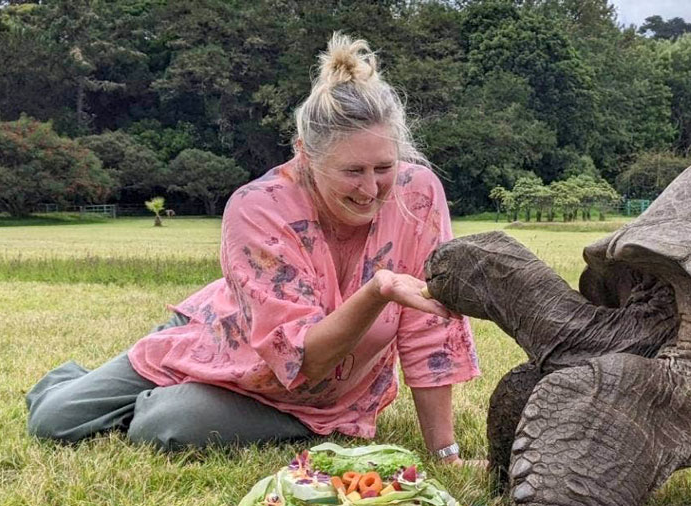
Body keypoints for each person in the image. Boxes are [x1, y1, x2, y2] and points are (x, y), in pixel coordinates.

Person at [25, 32, 480, 464]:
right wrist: (376, 292)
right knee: (54, 421)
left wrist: (445, 453)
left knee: (166, 425)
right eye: (352, 171)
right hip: (222, 338)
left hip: (313, 397)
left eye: (383, 166)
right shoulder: (256, 206)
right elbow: (304, 356)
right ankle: (115, 377)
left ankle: (174, 403)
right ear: (306, 153)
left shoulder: (416, 192)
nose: (371, 188)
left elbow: (431, 333)